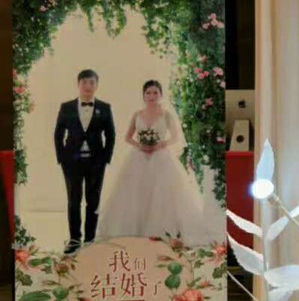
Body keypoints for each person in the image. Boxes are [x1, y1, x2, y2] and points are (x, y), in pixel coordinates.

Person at [95, 80, 207, 241]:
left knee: (162, 192)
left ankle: (164, 229)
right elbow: (127, 137)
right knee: (134, 192)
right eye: (148, 93)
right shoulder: (137, 114)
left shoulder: (166, 115)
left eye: (155, 92)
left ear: (161, 95)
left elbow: (176, 137)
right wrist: (140, 145)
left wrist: (162, 144)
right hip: (138, 157)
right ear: (143, 95)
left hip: (161, 156)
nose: (151, 96)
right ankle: (135, 228)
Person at [53, 69, 115, 253]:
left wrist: (105, 159)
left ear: (97, 85)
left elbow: (111, 135)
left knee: (93, 201)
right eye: (84, 82)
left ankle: (89, 240)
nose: (88, 86)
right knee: (73, 200)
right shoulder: (66, 107)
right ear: (78, 84)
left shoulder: (104, 107)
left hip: (96, 162)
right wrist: (62, 158)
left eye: (91, 82)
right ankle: (74, 239)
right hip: (72, 162)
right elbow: (58, 134)